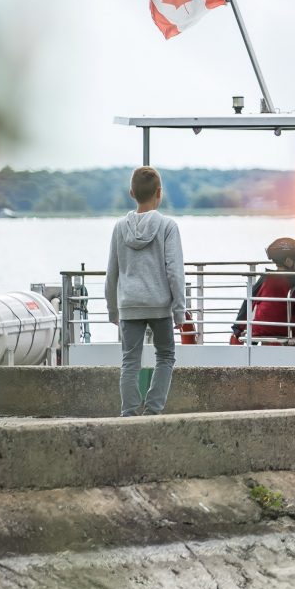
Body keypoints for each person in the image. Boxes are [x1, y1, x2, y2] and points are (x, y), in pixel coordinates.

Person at [105, 166, 184, 417]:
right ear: (159, 192)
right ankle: (152, 411)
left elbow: (112, 273)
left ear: (131, 192)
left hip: (129, 305)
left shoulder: (119, 228)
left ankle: (128, 413)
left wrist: (112, 308)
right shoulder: (167, 226)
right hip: (159, 305)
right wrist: (179, 310)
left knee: (130, 361)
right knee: (166, 356)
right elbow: (175, 272)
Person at [233, 237, 295, 343]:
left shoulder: (266, 278)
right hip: (288, 331)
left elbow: (248, 302)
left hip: (261, 331)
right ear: (288, 261)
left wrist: (237, 328)